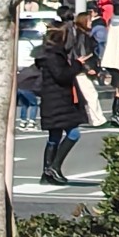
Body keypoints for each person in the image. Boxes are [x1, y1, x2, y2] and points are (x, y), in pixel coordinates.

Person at [38, 21, 87, 184]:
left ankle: (47, 173)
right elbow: (62, 76)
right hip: (58, 101)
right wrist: (77, 65)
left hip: (54, 101)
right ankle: (54, 167)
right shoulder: (53, 55)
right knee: (73, 133)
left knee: (55, 136)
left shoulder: (50, 53)